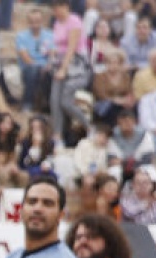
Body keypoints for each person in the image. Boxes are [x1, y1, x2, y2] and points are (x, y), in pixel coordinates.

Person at [47, 0, 93, 147]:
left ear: (65, 7)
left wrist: (63, 69)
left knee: (65, 101)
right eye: (54, 9)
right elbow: (56, 45)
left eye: (58, 8)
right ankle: (57, 136)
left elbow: (71, 48)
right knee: (54, 100)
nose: (56, 11)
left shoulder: (75, 21)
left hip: (76, 64)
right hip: (59, 62)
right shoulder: (56, 23)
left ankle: (89, 126)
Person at [14, 5, 54, 114]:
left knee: (51, 72)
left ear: (42, 21)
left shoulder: (50, 35)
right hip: (29, 67)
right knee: (33, 70)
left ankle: (48, 105)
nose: (35, 24)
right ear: (28, 22)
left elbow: (52, 54)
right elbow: (25, 57)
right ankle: (27, 104)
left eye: (37, 21)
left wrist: (49, 65)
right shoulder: (21, 36)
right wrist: (39, 67)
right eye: (32, 21)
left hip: (46, 67)